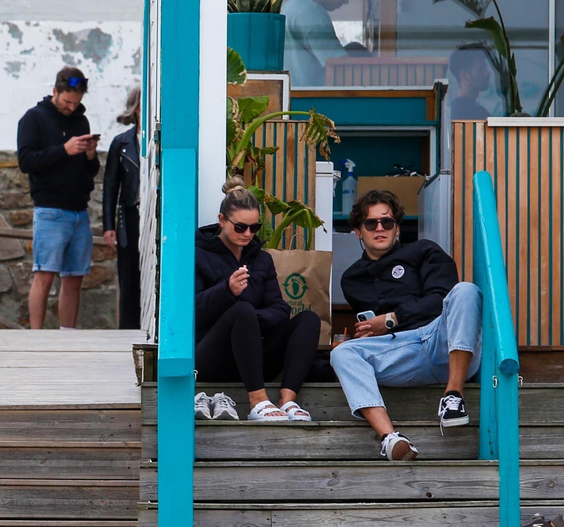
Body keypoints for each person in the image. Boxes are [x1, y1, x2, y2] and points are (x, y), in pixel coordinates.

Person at [330, 190, 480, 460]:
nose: (380, 228)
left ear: (397, 228)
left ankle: (453, 397)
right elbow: (374, 329)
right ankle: (390, 438)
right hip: (401, 352)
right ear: (358, 232)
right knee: (342, 353)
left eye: (387, 222)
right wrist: (366, 334)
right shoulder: (351, 279)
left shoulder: (424, 251)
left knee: (466, 291)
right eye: (370, 223)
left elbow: (439, 300)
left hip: (441, 339)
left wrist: (390, 320)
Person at [192, 186, 322, 422]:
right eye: (240, 227)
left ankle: (288, 399)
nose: (248, 234)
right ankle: (257, 400)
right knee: (241, 310)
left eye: (255, 227)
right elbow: (194, 312)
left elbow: (280, 309)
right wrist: (227, 291)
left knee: (308, 319)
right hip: (210, 357)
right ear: (222, 220)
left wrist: (252, 321)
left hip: (253, 355)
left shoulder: (262, 259)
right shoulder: (198, 254)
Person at [17, 66, 100, 329]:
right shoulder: (33, 118)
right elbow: (26, 161)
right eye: (67, 101)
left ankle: (67, 334)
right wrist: (64, 149)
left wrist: (89, 154)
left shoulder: (81, 121)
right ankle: (37, 335)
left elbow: (92, 171)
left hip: (79, 210)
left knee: (75, 277)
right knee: (45, 274)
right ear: (55, 91)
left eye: (76, 103)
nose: (71, 107)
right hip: (50, 209)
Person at [282, 0, 365, 87]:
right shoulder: (311, 14)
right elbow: (342, 67)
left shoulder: (291, 6)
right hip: (312, 102)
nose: (346, 1)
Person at [103, 86, 142, 330]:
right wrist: (109, 226)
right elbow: (110, 187)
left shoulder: (160, 140)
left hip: (155, 216)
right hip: (129, 217)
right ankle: (127, 331)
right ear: (136, 109)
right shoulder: (121, 143)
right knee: (128, 276)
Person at [448, 45, 492, 121]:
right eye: (480, 69)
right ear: (464, 76)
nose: (487, 73)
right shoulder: (468, 113)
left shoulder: (453, 110)